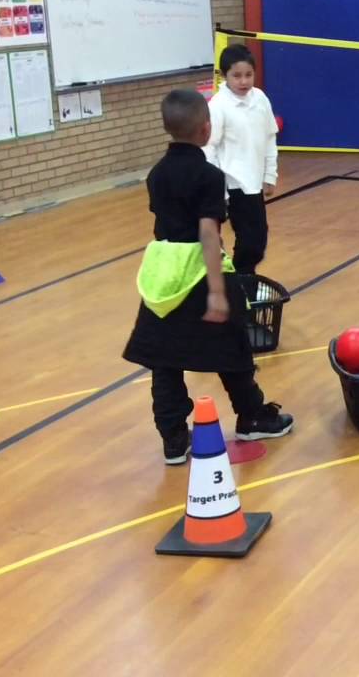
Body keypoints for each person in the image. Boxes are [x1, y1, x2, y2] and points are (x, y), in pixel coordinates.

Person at [123, 88, 294, 465]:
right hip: (201, 270)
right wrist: (217, 291)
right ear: (206, 129)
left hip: (163, 274)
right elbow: (207, 233)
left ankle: (173, 439)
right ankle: (252, 416)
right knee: (232, 350)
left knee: (165, 361)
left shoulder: (156, 174)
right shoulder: (209, 175)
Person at [204, 44, 279, 276]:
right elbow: (209, 149)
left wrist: (270, 174)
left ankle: (241, 281)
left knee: (257, 240)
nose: (244, 81)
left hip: (254, 184)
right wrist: (219, 191)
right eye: (236, 76)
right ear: (224, 75)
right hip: (233, 184)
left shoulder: (260, 99)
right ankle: (243, 284)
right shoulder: (218, 106)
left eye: (248, 75)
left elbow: (269, 138)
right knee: (249, 240)